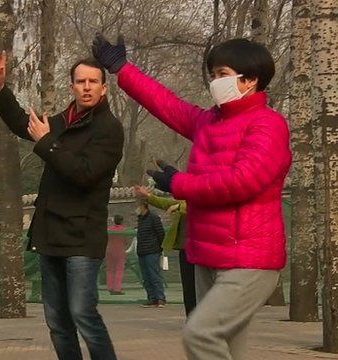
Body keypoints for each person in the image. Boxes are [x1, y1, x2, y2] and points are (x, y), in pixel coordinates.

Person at [93, 35, 291, 359]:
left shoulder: (267, 125)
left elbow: (243, 181)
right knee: (229, 347)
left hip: (248, 259)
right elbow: (164, 103)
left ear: (250, 79)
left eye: (222, 73)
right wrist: (122, 69)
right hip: (208, 255)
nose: (214, 81)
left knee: (200, 334)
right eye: (212, 74)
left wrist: (179, 183)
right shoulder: (208, 122)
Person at [0, 51, 124, 360]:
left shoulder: (109, 129)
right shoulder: (61, 121)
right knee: (57, 322)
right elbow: (26, 125)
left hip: (82, 238)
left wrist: (47, 142)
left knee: (82, 315)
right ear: (71, 86)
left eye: (93, 81)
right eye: (80, 81)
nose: (86, 87)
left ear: (104, 88)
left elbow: (85, 174)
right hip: (50, 235)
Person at [135, 183, 196, 316]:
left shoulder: (201, 197)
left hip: (199, 249)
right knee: (188, 288)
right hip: (184, 248)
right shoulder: (183, 201)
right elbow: (167, 203)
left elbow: (193, 205)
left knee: (199, 286)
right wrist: (148, 196)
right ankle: (191, 318)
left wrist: (179, 206)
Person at [134, 199, 166, 308]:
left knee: (154, 275)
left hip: (152, 252)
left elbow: (160, 233)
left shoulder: (153, 218)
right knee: (146, 277)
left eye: (137, 205)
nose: (136, 208)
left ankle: (160, 298)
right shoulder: (140, 219)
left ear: (143, 206)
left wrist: (159, 248)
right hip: (142, 252)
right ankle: (151, 298)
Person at [106, 214, 128, 295]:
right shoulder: (124, 230)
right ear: (121, 221)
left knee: (109, 269)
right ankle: (117, 288)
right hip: (120, 251)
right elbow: (126, 242)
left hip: (109, 251)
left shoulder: (109, 229)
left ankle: (110, 287)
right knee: (119, 270)